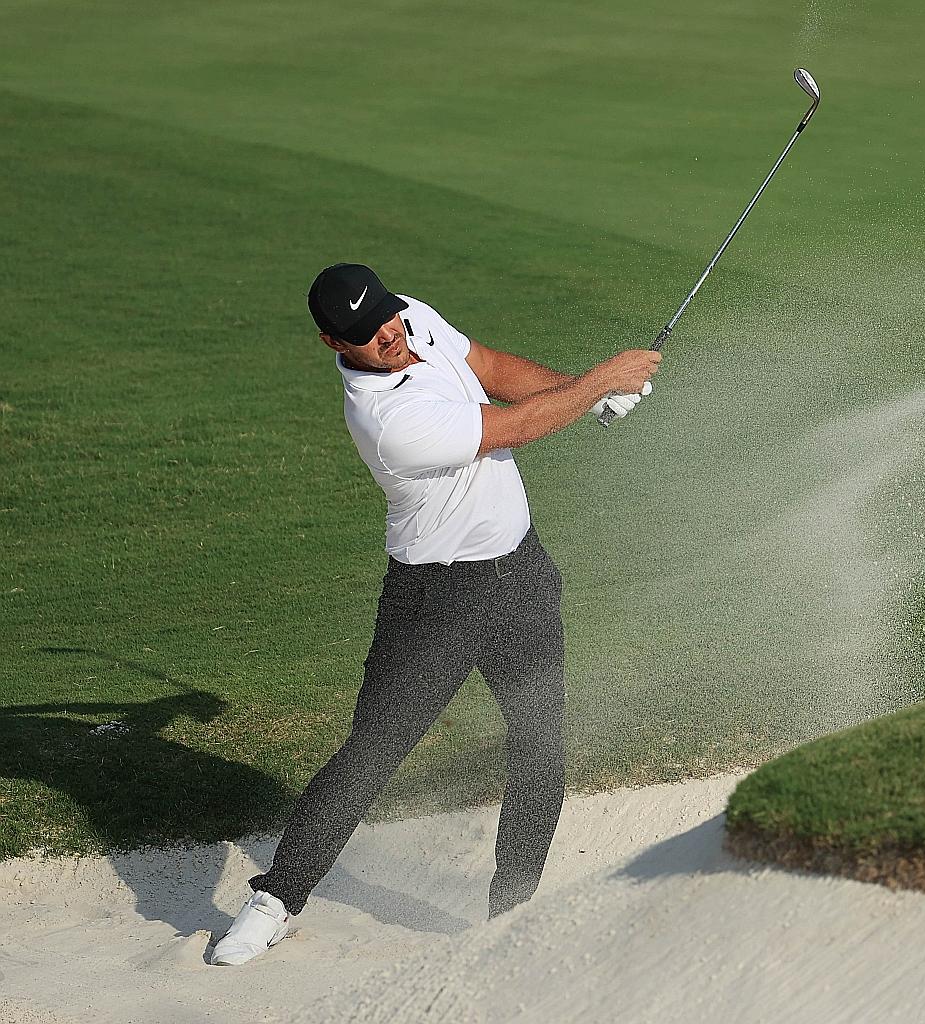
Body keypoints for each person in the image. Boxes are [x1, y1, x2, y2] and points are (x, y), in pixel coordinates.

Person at [210, 263, 660, 966]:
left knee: (540, 747)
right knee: (370, 756)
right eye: (365, 334)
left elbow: (489, 366)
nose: (388, 335)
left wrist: (580, 394)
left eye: (386, 317)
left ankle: (509, 918)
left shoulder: (411, 316)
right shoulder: (386, 419)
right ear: (334, 343)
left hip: (522, 576)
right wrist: (598, 383)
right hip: (437, 600)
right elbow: (507, 427)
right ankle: (276, 900)